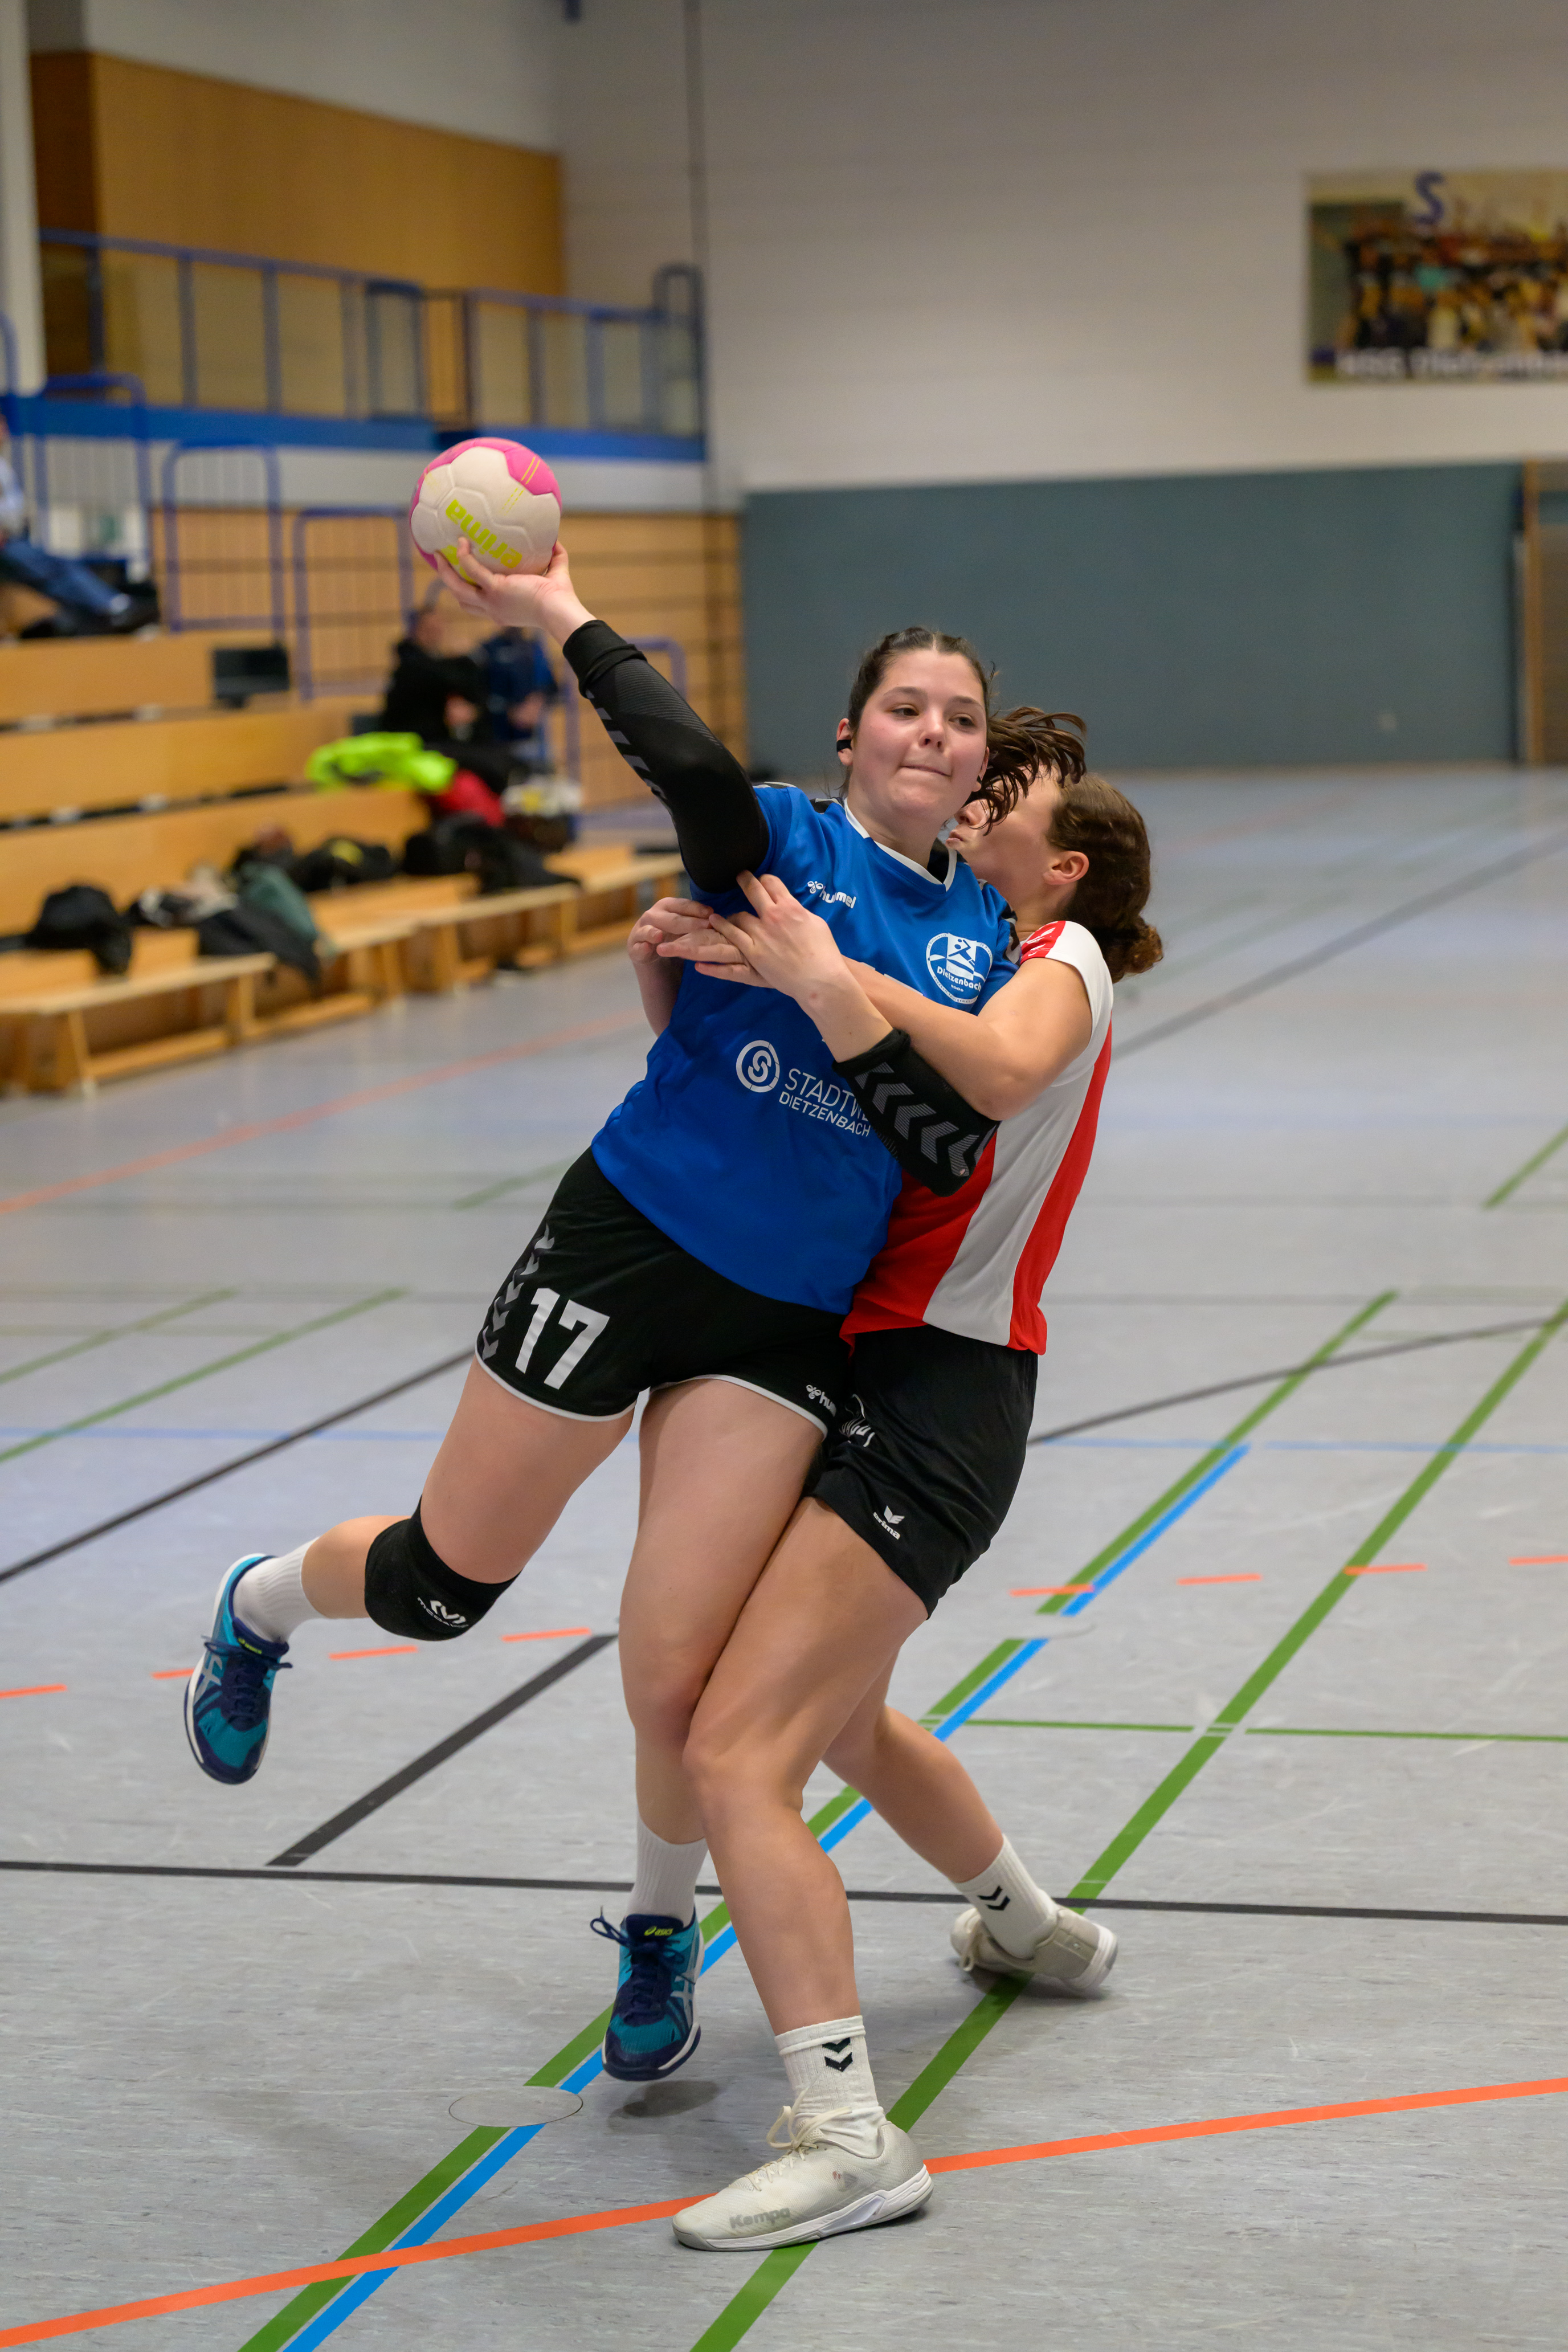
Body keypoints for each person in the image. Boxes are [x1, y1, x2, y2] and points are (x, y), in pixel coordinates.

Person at [182, 536, 1036, 2085]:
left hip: (780, 1323)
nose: (933, 731)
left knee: (681, 1675)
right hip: (625, 1244)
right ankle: (259, 1605)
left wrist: (826, 989)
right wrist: (556, 609)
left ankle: (656, 1925)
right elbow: (691, 772)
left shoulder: (981, 940)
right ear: (852, 734)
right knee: (444, 1585)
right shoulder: (777, 838)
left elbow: (938, 1142)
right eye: (907, 706)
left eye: (961, 717)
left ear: (981, 760)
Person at [634, 754, 1161, 2248]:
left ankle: (849, 2135)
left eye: (1010, 798)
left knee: (737, 1751)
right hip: (869, 1365)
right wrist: (692, 976)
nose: (975, 807)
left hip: (943, 1398)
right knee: (841, 1722)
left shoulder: (1061, 963)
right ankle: (1031, 1929)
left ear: (1066, 864)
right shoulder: (966, 954)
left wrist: (816, 961)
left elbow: (993, 1070)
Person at [0, 429, 154, 636]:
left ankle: (92, 617)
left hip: (13, 537)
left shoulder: (3, 465)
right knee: (55, 568)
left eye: (3, 425)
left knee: (53, 570)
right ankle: (112, 608)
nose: (4, 432)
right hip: (6, 543)